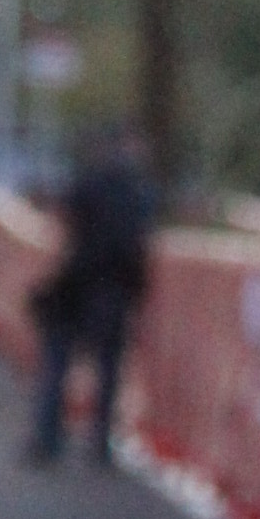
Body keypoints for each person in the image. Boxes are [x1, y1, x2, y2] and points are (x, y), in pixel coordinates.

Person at [26, 123, 156, 465]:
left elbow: (64, 227)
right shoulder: (137, 193)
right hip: (110, 289)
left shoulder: (88, 184)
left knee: (60, 363)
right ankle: (99, 441)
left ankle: (49, 437)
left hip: (78, 285)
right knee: (106, 369)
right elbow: (137, 247)